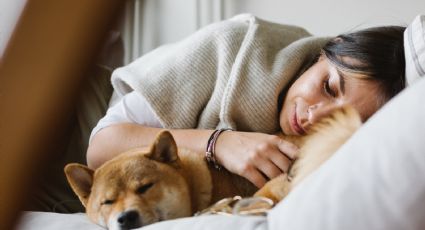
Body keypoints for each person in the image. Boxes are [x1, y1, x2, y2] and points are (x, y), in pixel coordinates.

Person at [87, 15, 405, 188]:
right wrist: (220, 143)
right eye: (328, 87)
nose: (313, 117)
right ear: (327, 50)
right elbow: (100, 148)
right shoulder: (235, 44)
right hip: (71, 128)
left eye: (341, 120)